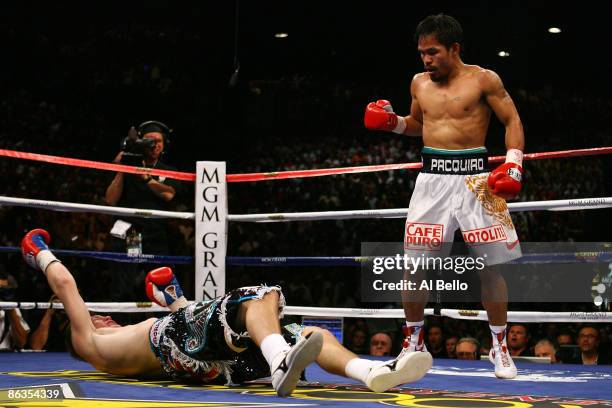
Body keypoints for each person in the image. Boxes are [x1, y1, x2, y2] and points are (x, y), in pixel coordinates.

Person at [21, 228, 432, 396]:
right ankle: (278, 362)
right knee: (257, 296)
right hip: (179, 341)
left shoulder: (119, 345)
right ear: (77, 330)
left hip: (204, 360)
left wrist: (174, 300)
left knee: (306, 335)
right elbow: (66, 285)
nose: (105, 318)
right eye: (97, 317)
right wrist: (39, 252)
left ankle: (370, 372)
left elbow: (193, 332)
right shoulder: (88, 341)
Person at [364, 13, 524, 379]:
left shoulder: (484, 79)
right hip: (432, 179)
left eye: (433, 52)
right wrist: (393, 123)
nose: (426, 60)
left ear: (454, 48)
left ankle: (499, 346)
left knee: (491, 266)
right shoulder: (418, 82)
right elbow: (420, 124)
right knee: (413, 266)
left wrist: (514, 164)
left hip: (477, 180)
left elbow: (512, 120)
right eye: (421, 53)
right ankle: (413, 343)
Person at [105, 121, 182, 300]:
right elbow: (110, 199)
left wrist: (147, 179)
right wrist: (122, 169)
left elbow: (169, 195)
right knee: (124, 284)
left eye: (159, 141)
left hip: (156, 233)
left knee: (164, 285)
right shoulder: (127, 166)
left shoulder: (168, 171)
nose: (154, 145)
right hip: (129, 231)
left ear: (164, 145)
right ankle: (122, 323)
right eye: (149, 140)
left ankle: (168, 325)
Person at [0, 267, 29, 350]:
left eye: (4, 288)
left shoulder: (12, 308)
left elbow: (21, 343)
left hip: (5, 355)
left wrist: (10, 309)